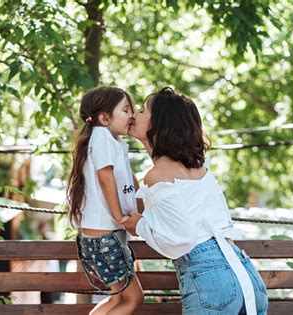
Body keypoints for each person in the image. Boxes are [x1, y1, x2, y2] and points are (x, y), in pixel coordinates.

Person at [124, 87, 268, 314]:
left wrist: (139, 226)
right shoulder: (200, 169)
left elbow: (181, 238)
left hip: (212, 282)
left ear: (159, 124)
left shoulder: (158, 175)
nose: (134, 114)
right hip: (245, 274)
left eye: (142, 110)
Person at [66, 86, 144, 315]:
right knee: (134, 298)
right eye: (126, 109)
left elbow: (126, 180)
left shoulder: (107, 140)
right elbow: (105, 178)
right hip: (104, 239)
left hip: (101, 238)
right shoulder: (102, 138)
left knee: (119, 298)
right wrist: (120, 216)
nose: (131, 115)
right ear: (104, 117)